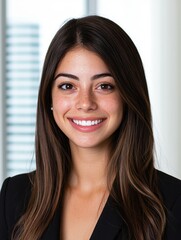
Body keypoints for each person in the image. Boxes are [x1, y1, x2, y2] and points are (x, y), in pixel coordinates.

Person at [0, 15, 181, 240]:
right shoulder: (14, 197)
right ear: (49, 98)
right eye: (68, 86)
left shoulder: (172, 203)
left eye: (104, 86)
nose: (85, 103)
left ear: (128, 96)